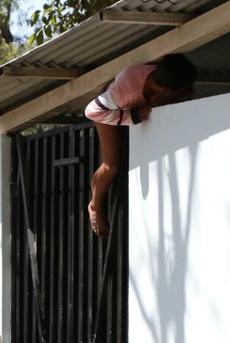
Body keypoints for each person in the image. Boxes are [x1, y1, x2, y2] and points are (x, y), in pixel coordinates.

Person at [84, 53, 198, 237]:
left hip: (135, 105)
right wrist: (133, 117)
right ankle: (94, 204)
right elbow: (91, 111)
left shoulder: (164, 74)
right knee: (111, 166)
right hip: (110, 111)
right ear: (165, 89)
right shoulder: (125, 90)